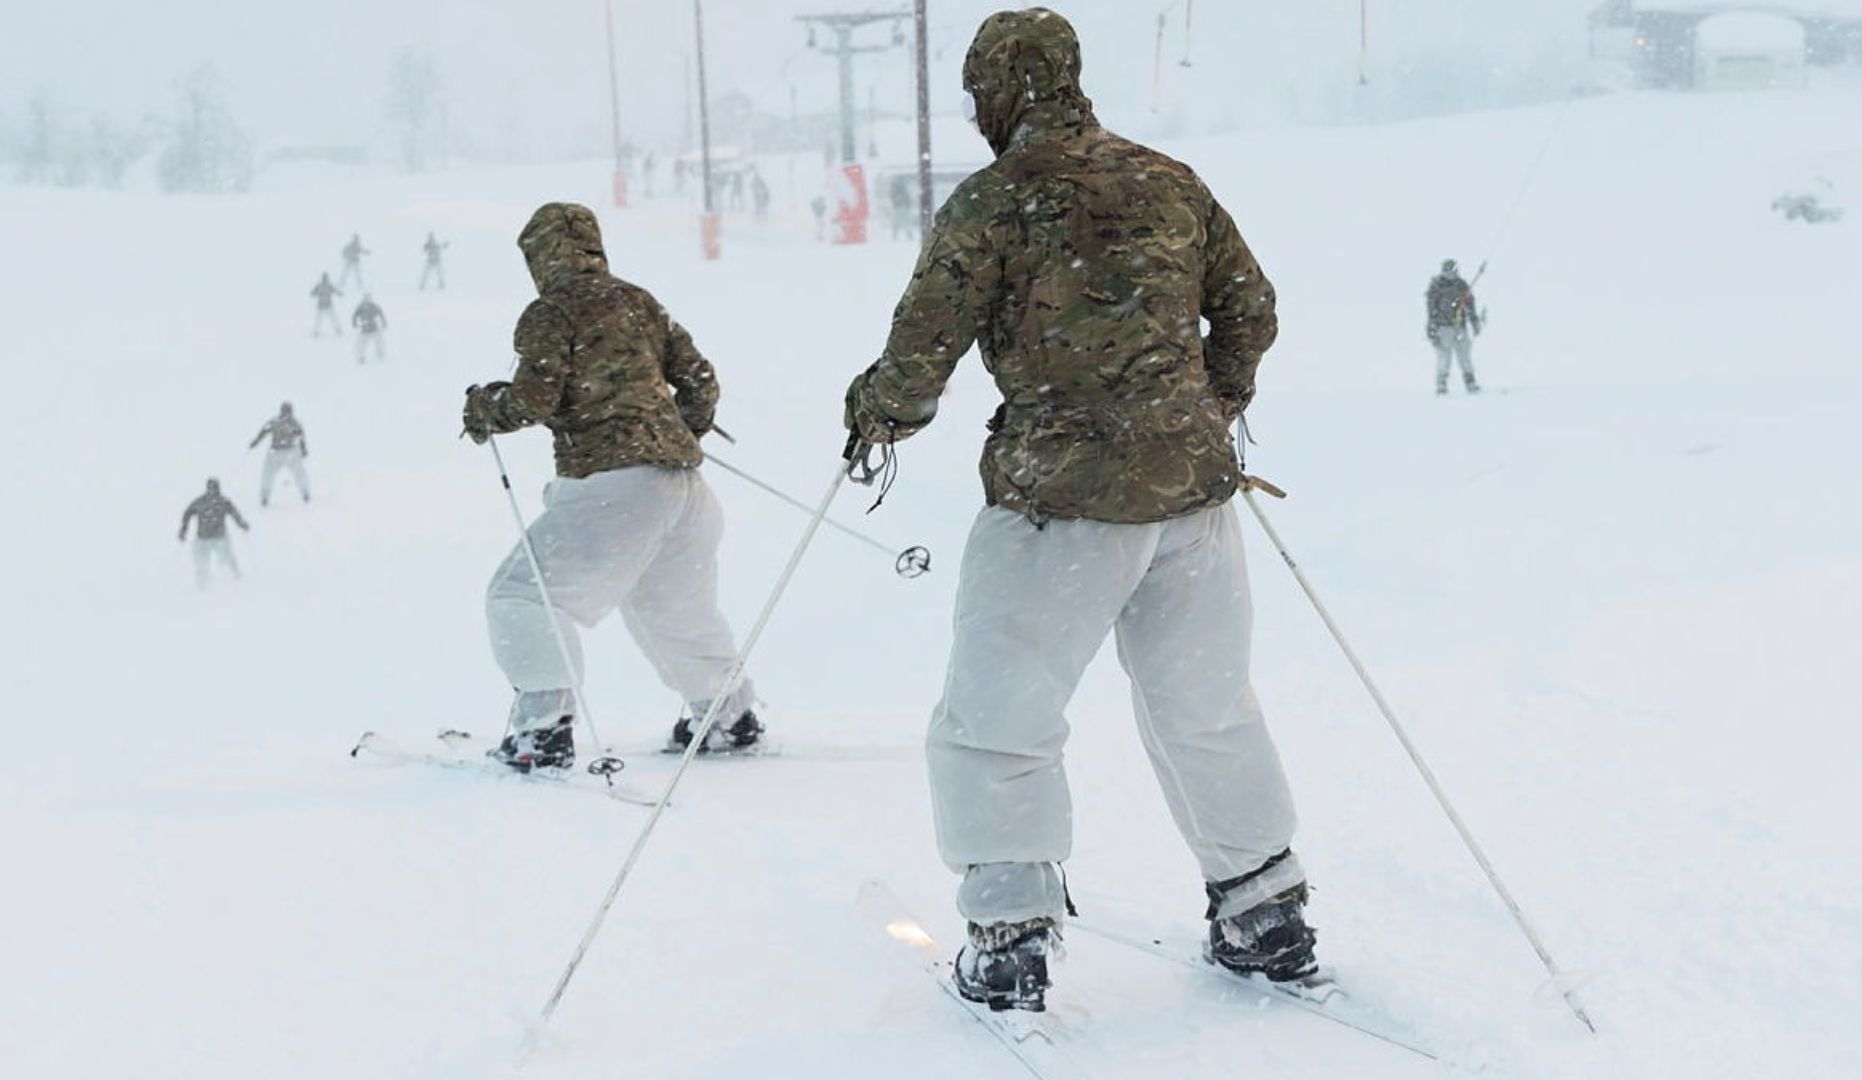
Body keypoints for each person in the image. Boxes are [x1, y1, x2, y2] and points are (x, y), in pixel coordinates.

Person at [842, 8, 1312, 1014]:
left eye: (978, 93)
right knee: (1206, 707)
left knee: (998, 716)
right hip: (1189, 499)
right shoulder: (1170, 182)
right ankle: (1264, 907)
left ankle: (1011, 934)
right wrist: (1207, 406)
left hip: (1057, 503)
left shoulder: (994, 200)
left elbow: (923, 349)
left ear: (997, 90)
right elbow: (1251, 307)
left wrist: (878, 412)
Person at [462, 202, 763, 773]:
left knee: (521, 596)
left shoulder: (552, 311)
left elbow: (533, 400)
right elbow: (700, 379)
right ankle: (727, 715)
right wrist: (676, 432)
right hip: (684, 488)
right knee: (673, 608)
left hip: (613, 489)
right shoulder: (639, 301)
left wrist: (485, 408)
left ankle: (543, 730)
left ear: (541, 257)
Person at [178, 478, 249, 590]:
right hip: (203, 539)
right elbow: (187, 513)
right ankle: (203, 585)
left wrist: (242, 524)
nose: (213, 492)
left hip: (219, 538)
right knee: (202, 563)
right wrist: (183, 530)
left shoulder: (223, 502)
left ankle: (235, 576)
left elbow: (235, 514)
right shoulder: (201, 502)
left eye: (215, 489)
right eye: (211, 489)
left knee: (227, 558)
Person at [1426, 259, 1482, 395]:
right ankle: (1441, 383)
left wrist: (1474, 321)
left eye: (1453, 271)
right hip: (1443, 327)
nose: (1450, 274)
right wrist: (1432, 327)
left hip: (1460, 326)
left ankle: (1470, 381)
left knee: (1464, 356)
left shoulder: (1461, 285)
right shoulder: (1437, 285)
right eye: (1447, 271)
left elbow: (1470, 304)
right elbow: (1431, 308)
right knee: (1444, 356)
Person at [250, 402, 310, 507]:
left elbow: (301, 437)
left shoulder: (293, 423)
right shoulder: (276, 422)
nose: (287, 414)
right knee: (267, 474)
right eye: (285, 411)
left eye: (288, 411)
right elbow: (264, 432)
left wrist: (303, 449)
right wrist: (255, 442)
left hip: (289, 452)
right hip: (276, 453)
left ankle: (305, 493)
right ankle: (265, 496)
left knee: (299, 473)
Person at [352, 295, 387, 363]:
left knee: (379, 341)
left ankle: (380, 353)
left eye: (368, 299)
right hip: (366, 329)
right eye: (366, 300)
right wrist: (354, 323)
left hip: (374, 328)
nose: (367, 301)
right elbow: (355, 315)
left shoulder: (373, 306)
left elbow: (380, 313)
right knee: (361, 344)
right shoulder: (361, 307)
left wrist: (384, 322)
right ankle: (361, 357)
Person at [310, 273, 344, 337]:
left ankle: (338, 330)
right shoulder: (319, 286)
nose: (325, 279)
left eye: (325, 278)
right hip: (321, 306)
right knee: (318, 320)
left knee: (333, 318)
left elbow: (335, 291)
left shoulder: (329, 286)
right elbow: (313, 293)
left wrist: (340, 293)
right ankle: (316, 332)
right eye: (324, 278)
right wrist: (315, 292)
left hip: (328, 306)